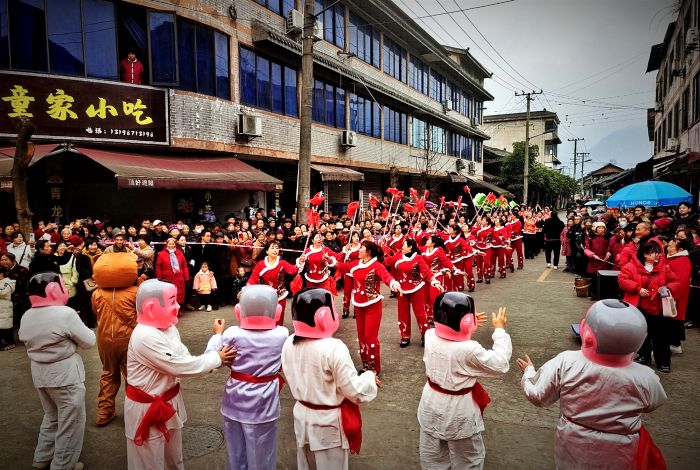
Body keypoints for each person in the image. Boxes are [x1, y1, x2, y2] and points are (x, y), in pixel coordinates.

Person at [517, 300, 668, 469]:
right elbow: (654, 402)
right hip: (622, 455)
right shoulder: (645, 377)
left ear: (588, 337)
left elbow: (538, 395)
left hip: (572, 451)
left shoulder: (566, 361)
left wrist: (529, 373)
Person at [124, 279, 237, 470]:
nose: (177, 306)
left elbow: (185, 357)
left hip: (169, 401)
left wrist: (216, 342)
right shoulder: (145, 336)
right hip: (148, 407)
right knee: (149, 463)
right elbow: (179, 365)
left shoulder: (168, 327)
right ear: (151, 308)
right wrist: (216, 359)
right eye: (172, 301)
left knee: (174, 459)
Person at [281, 288, 379, 469]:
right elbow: (354, 391)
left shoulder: (289, 342)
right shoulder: (333, 347)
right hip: (327, 423)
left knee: (306, 465)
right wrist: (369, 377)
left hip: (302, 416)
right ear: (323, 317)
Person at [418, 293, 510, 469]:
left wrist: (468, 327)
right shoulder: (469, 349)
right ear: (466, 321)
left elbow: (449, 336)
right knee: (468, 459)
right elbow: (500, 363)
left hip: (431, 404)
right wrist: (499, 330)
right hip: (458, 411)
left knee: (433, 456)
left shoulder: (429, 335)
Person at [205, 285, 288, 470]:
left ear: (239, 311)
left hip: (235, 397)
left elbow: (213, 358)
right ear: (277, 311)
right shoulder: (281, 334)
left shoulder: (232, 334)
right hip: (264, 400)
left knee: (236, 449)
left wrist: (217, 334)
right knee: (263, 451)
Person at [19, 272, 96, 470]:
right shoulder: (65, 313)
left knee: (51, 416)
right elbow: (89, 341)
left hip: (40, 374)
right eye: (63, 285)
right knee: (71, 422)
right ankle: (63, 465)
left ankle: (42, 457)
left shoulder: (28, 314)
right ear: (54, 290)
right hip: (65, 375)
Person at [337, 241, 401, 375]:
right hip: (359, 305)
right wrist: (330, 260)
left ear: (369, 252)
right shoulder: (355, 264)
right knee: (361, 337)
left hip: (372, 305)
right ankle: (365, 364)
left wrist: (393, 284)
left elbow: (386, 276)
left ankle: (374, 368)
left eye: (362, 248)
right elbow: (342, 266)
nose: (359, 250)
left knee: (370, 337)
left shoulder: (377, 266)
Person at [91, 252, 139, 427]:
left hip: (104, 339)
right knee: (131, 375)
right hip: (127, 339)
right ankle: (133, 413)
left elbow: (95, 312)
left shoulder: (97, 293)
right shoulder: (135, 292)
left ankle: (104, 412)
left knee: (108, 373)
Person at [618, 242, 679, 372]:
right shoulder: (631, 266)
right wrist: (637, 288)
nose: (658, 255)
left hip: (659, 309)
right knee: (643, 335)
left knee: (661, 337)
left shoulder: (664, 268)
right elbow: (622, 281)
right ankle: (644, 357)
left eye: (659, 252)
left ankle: (663, 361)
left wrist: (666, 289)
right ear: (645, 254)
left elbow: (675, 282)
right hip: (640, 308)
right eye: (654, 252)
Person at [385, 238, 443, 348]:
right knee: (402, 313)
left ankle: (425, 335)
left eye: (404, 245)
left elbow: (426, 271)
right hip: (402, 289)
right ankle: (405, 336)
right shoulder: (398, 257)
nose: (402, 247)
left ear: (410, 247)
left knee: (420, 314)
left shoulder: (418, 258)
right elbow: (385, 261)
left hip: (417, 288)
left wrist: (434, 281)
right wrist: (380, 250)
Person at [247, 241, 298, 326]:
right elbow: (253, 278)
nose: (275, 250)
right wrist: (246, 289)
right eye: (272, 248)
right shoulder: (260, 264)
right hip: (266, 295)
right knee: (267, 318)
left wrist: (300, 263)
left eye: (277, 248)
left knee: (279, 319)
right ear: (267, 251)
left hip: (280, 295)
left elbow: (293, 270)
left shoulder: (282, 263)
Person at [666, 237, 692, 354]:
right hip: (671, 296)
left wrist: (672, 296)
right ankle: (674, 343)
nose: (668, 248)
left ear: (680, 249)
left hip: (675, 297)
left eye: (671, 246)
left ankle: (674, 344)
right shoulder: (674, 258)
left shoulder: (682, 261)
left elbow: (680, 282)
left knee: (674, 320)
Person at [154, 238, 189, 313]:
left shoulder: (180, 253)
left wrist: (186, 277)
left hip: (179, 278)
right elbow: (158, 266)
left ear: (175, 244)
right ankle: (169, 311)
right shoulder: (161, 254)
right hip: (166, 279)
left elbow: (184, 265)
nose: (171, 245)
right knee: (168, 295)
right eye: (169, 244)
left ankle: (178, 310)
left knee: (179, 294)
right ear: (166, 244)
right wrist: (159, 278)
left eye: (173, 244)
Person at [0, 269, 15, 350]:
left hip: (5, 309)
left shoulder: (8, 283)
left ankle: (9, 343)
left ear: (1, 274)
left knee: (6, 327)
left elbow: (3, 292)